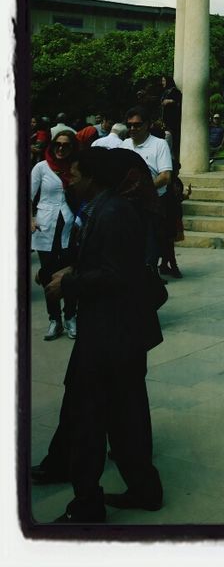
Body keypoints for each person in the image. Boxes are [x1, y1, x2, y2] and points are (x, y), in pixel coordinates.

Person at [35, 146, 164, 523]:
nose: (69, 180)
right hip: (113, 333)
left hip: (110, 334)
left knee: (90, 418)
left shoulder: (112, 213)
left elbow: (116, 276)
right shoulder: (105, 209)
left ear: (91, 177)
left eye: (74, 174)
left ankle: (88, 504)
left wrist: (70, 283)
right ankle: (145, 490)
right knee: (125, 418)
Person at [31, 131, 79, 341]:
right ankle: (54, 320)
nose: (61, 149)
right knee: (49, 275)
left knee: (69, 275)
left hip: (70, 227)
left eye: (66, 146)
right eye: (57, 145)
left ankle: (70, 316)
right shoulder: (41, 167)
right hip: (46, 227)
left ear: (72, 148)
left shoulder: (76, 168)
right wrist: (30, 219)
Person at [120, 105, 173, 265]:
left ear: (147, 124)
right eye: (129, 125)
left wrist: (141, 189)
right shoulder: (124, 145)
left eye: (137, 125)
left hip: (152, 203)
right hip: (129, 203)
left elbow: (165, 176)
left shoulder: (159, 144)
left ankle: (151, 275)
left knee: (151, 242)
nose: (132, 128)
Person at [160, 73, 183, 162]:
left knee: (174, 142)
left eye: (164, 81)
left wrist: (170, 101)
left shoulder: (175, 91)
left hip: (173, 120)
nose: (162, 83)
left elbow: (179, 101)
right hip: (165, 120)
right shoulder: (165, 92)